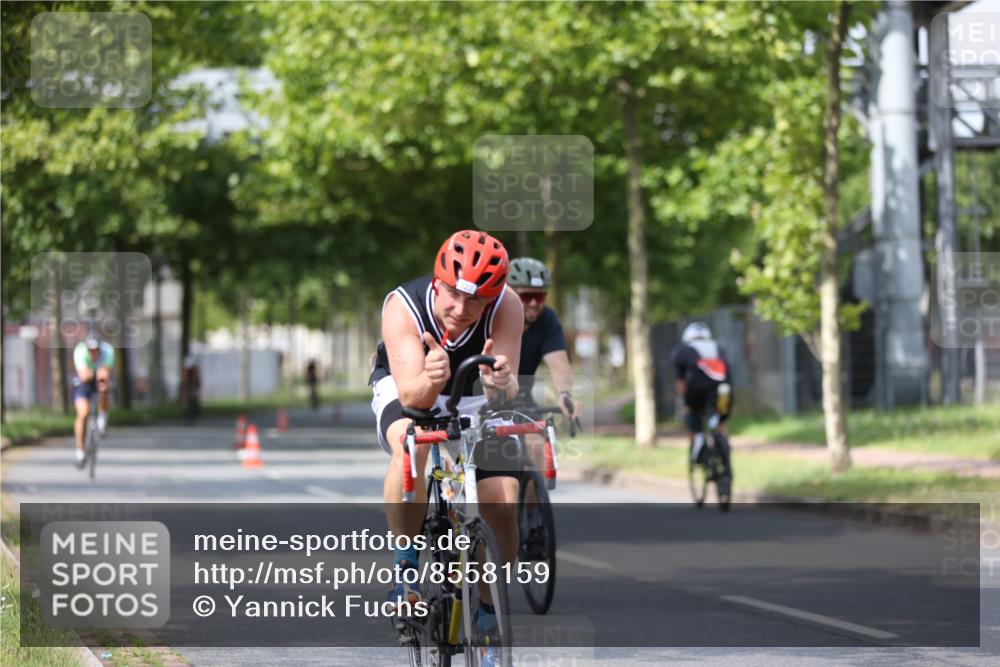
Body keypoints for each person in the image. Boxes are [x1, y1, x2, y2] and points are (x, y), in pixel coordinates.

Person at [369, 229, 522, 648]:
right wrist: (432, 377)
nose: (460, 308)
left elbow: (506, 394)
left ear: (493, 297)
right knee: (410, 444)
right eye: (453, 293)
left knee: (502, 499)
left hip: (472, 394)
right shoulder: (403, 307)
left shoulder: (508, 305)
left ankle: (489, 606)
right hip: (410, 387)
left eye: (475, 300)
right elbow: (413, 397)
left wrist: (500, 382)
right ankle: (405, 572)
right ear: (438, 282)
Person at [671, 322, 732, 464]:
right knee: (721, 419)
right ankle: (724, 448)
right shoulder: (719, 348)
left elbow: (681, 383)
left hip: (697, 391)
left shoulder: (683, 351)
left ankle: (697, 438)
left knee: (691, 412)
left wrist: (685, 402)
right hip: (724, 390)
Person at [72, 335, 115, 467]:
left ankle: (102, 417)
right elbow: (84, 376)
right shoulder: (79, 351)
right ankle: (80, 449)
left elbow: (104, 375)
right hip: (84, 383)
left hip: (100, 380)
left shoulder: (108, 351)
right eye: (91, 350)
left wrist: (99, 375)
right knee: (83, 413)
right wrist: (94, 372)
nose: (93, 353)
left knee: (103, 386)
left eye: (96, 350)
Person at [182, 354, 201, 421]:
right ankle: (186, 412)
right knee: (186, 398)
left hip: (193, 384)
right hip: (188, 384)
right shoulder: (186, 370)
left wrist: (197, 388)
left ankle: (194, 412)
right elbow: (185, 380)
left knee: (194, 397)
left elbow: (196, 379)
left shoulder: (195, 370)